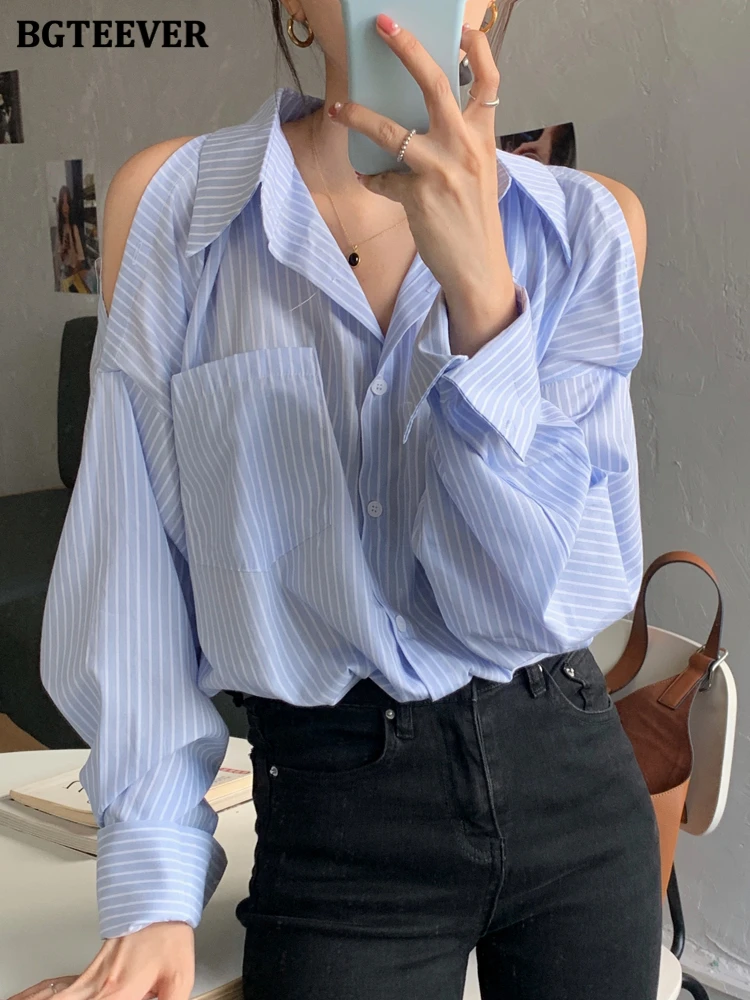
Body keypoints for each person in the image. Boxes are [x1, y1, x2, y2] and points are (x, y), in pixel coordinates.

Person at [16, 1, 658, 999]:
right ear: (293, 7)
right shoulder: (174, 207)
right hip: (336, 815)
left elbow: (520, 599)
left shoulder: (588, 226)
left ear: (490, 5)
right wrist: (151, 887)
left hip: (569, 773)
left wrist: (482, 297)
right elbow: (132, 566)